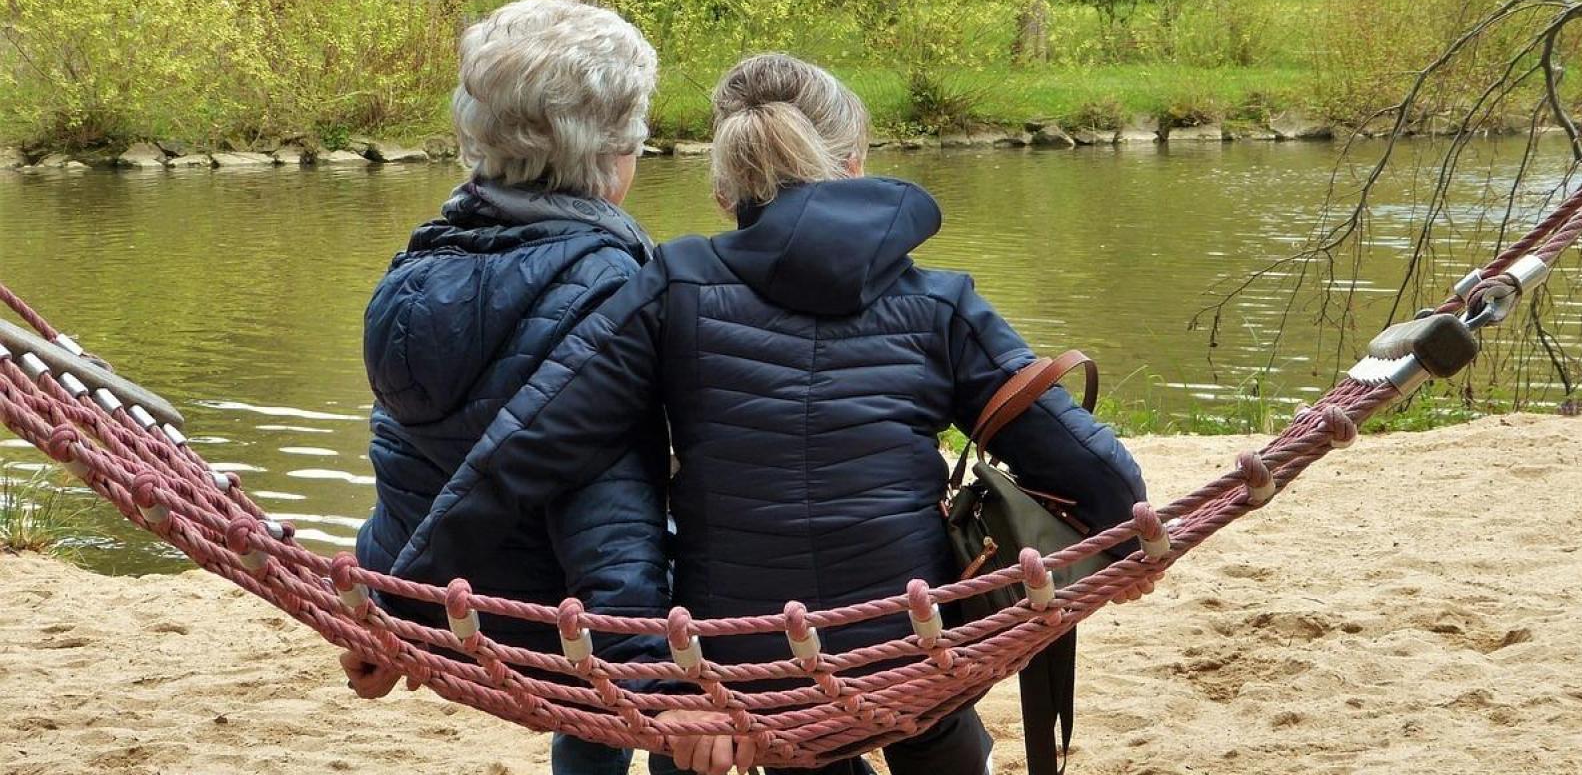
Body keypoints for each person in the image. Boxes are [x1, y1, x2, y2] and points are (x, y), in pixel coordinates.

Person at [392, 53, 1147, 775]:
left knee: (759, 730)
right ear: (856, 166)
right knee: (924, 705)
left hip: (741, 666)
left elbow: (525, 450)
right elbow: (1089, 468)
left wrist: (401, 605)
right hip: (909, 650)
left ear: (727, 193)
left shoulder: (670, 284)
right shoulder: (941, 302)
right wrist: (1128, 536)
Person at [344, 0, 680, 775]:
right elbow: (611, 523)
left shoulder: (417, 267)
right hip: (558, 626)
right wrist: (659, 685)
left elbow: (411, 458)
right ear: (613, 151)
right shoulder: (612, 287)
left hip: (444, 605)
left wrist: (384, 606)